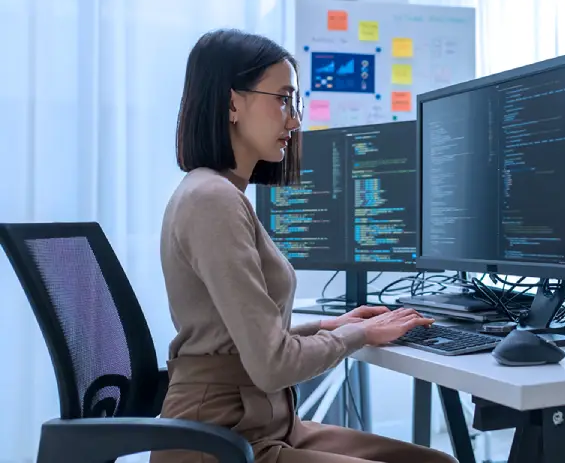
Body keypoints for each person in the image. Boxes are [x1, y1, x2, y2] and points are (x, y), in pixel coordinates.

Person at [150, 29, 457, 463]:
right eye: (282, 99)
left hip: (262, 423)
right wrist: (359, 334)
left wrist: (330, 326)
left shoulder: (219, 193)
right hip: (221, 440)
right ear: (233, 102)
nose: (294, 120)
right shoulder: (212, 201)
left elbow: (244, 343)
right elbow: (271, 364)